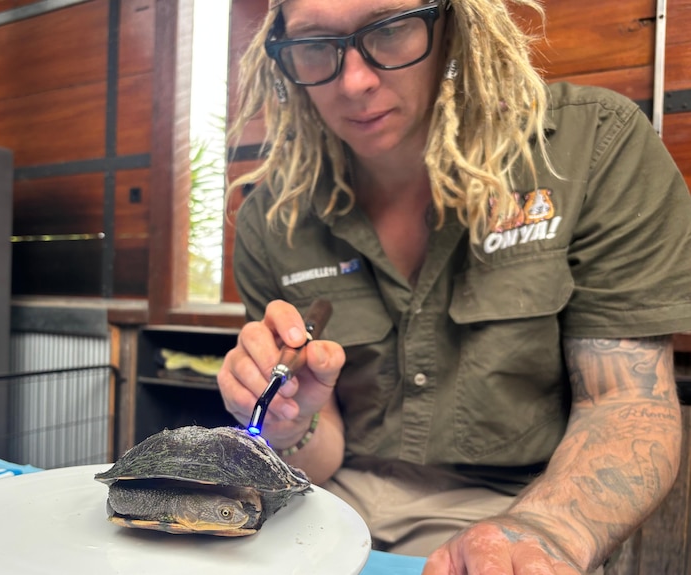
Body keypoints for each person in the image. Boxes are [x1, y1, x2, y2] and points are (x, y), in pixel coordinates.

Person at [216, 0, 691, 573]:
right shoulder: (274, 216)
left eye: (390, 30)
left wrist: (545, 530)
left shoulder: (590, 146)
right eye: (316, 44)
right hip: (323, 519)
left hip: (517, 512)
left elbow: (627, 402)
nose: (355, 81)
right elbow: (317, 454)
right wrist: (291, 425)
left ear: (453, 24)